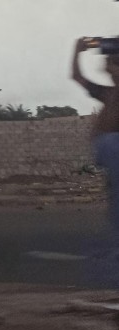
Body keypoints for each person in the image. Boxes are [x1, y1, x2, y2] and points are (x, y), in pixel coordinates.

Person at [73, 38, 119, 236]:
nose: (106, 62)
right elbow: (76, 76)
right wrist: (76, 52)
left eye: (111, 60)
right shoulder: (108, 93)